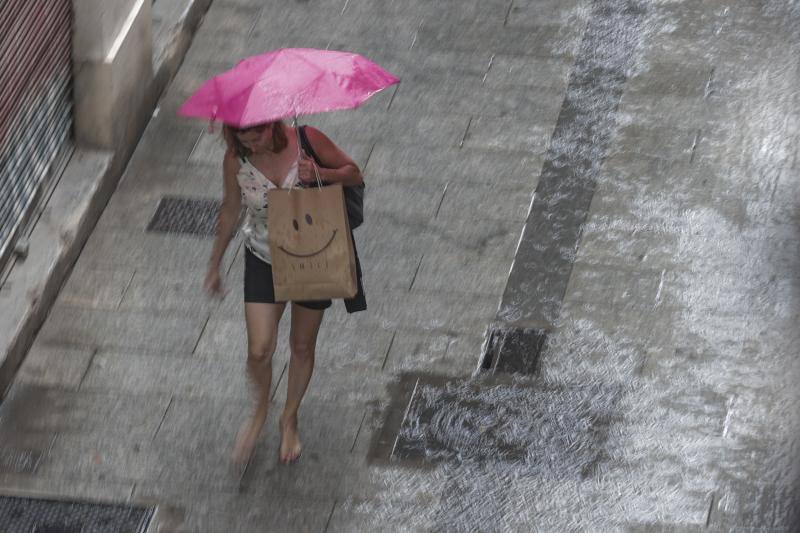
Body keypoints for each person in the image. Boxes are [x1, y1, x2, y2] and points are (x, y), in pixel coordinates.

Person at [204, 120, 363, 466]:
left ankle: (289, 417)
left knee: (302, 345)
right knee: (259, 350)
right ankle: (261, 407)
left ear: (272, 125)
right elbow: (231, 209)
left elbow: (354, 173)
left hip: (314, 257)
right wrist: (214, 264)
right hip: (263, 257)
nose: (253, 143)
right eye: (243, 137)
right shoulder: (235, 159)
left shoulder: (308, 140)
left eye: (257, 135)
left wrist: (320, 172)